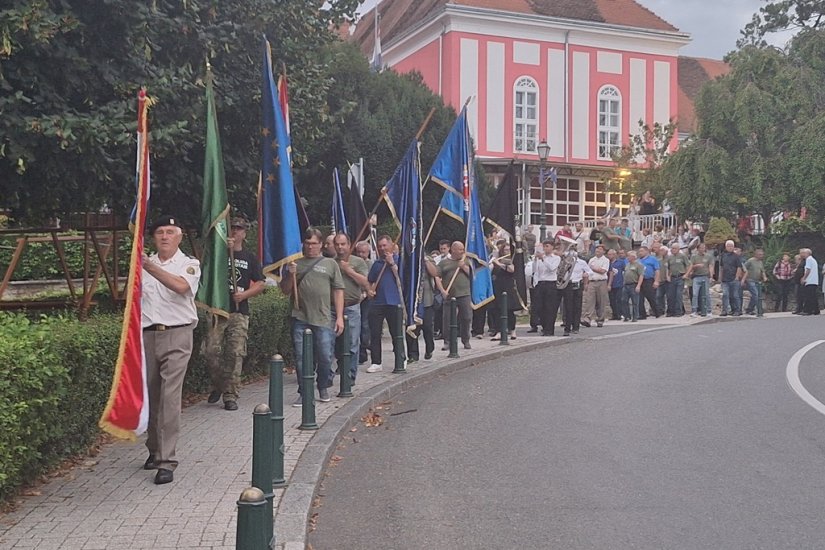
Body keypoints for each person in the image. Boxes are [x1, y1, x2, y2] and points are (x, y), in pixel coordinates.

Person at [141, 215, 201, 485]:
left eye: (170, 232)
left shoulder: (188, 264)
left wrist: (148, 267)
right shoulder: (142, 263)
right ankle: (153, 449)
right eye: (160, 232)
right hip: (147, 335)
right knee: (151, 395)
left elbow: (180, 287)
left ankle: (167, 460)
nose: (164, 236)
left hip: (177, 334)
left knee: (169, 397)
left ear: (179, 236)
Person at [204, 218, 266, 412]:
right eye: (232, 228)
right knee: (210, 351)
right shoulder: (217, 255)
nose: (235, 232)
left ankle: (230, 394)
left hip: (239, 311)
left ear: (244, 234)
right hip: (219, 309)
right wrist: (223, 249)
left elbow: (261, 282)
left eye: (239, 229)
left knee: (235, 352)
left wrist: (245, 294)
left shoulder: (249, 257)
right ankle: (219, 384)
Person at [280, 227, 344, 407]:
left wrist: (339, 317)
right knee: (301, 358)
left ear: (321, 245)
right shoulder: (295, 263)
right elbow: (285, 290)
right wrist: (289, 275)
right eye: (307, 244)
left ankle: (322, 385)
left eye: (314, 244)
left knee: (325, 355)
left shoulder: (330, 264)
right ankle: (304, 391)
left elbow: (339, 291)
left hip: (323, 318)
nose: (310, 247)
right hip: (299, 317)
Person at [333, 233, 370, 383]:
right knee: (332, 343)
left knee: (352, 343)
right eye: (337, 244)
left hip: (352, 307)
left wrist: (349, 271)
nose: (340, 247)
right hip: (332, 308)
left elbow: (366, 282)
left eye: (343, 244)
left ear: (349, 245)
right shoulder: (330, 262)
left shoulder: (358, 262)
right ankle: (334, 372)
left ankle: (350, 377)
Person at [366, 235, 406, 372]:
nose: (383, 249)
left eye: (385, 245)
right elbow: (370, 280)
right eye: (380, 246)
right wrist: (369, 290)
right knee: (375, 333)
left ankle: (401, 358)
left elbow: (401, 279)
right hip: (378, 302)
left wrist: (392, 264)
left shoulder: (399, 261)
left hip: (394, 301)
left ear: (390, 245)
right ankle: (376, 362)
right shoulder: (376, 264)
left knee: (396, 333)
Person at [436, 241, 473, 350]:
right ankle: (447, 341)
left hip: (464, 294)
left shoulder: (465, 260)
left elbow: (473, 275)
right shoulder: (443, 263)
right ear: (453, 250)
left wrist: (464, 267)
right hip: (449, 295)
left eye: (463, 249)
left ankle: (466, 340)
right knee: (447, 319)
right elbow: (437, 276)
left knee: (466, 318)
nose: (462, 252)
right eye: (460, 250)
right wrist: (442, 290)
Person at [407, 254, 438, 361]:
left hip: (427, 300)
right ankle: (413, 355)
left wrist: (425, 260)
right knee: (412, 329)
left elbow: (434, 273)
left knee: (428, 327)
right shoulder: (408, 258)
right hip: (412, 301)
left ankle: (429, 348)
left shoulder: (427, 258)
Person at [559, 245, 590, 336]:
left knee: (577, 306)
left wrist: (585, 275)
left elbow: (589, 271)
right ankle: (567, 327)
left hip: (578, 284)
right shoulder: (565, 262)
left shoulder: (581, 262)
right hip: (568, 284)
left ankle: (576, 327)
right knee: (568, 307)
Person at [532, 239, 561, 336]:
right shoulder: (540, 258)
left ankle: (549, 329)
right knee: (540, 308)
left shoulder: (556, 258)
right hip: (540, 283)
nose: (545, 248)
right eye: (544, 246)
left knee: (550, 308)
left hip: (550, 284)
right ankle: (544, 327)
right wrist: (536, 260)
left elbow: (552, 268)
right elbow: (535, 270)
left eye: (547, 246)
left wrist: (543, 259)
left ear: (552, 247)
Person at [491, 241, 518, 340]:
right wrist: (493, 262)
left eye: (508, 250)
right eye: (505, 249)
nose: (506, 251)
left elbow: (512, 270)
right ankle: (499, 331)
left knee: (509, 309)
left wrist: (499, 264)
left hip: (508, 287)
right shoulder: (498, 259)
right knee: (497, 309)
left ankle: (512, 330)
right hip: (498, 286)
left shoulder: (511, 260)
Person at [355, 240, 374, 364]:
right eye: (359, 252)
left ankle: (363, 350)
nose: (361, 254)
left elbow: (372, 281)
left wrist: (365, 293)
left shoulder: (370, 264)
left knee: (364, 324)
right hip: (354, 297)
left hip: (366, 298)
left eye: (364, 252)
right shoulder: (353, 263)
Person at [582, 245, 609, 327]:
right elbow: (587, 271)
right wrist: (586, 283)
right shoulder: (591, 260)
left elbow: (603, 271)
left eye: (600, 249)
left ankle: (600, 319)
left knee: (601, 301)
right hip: (592, 281)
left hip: (601, 281)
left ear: (603, 251)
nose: (597, 250)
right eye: (597, 249)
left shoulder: (605, 260)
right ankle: (587, 318)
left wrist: (593, 268)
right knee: (590, 300)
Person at [686, 243, 713, 317]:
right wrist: (696, 266)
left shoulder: (708, 256)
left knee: (707, 294)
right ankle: (694, 310)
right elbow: (691, 266)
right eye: (701, 248)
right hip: (696, 277)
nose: (702, 249)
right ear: (698, 249)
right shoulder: (694, 257)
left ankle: (709, 310)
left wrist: (711, 276)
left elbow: (710, 266)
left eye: (703, 248)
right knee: (695, 294)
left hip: (705, 277)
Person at [719, 240, 743, 316]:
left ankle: (737, 310)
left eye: (731, 246)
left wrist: (737, 277)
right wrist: (720, 278)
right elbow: (722, 267)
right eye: (728, 246)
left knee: (735, 295)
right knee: (725, 295)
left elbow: (739, 267)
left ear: (733, 247)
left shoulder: (736, 256)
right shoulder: (723, 255)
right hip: (725, 279)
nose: (730, 247)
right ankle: (724, 310)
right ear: (726, 247)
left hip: (734, 279)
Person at [665, 243, 689, 316]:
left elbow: (688, 265)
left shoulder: (682, 256)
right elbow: (667, 268)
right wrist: (667, 276)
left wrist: (686, 274)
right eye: (672, 248)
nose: (673, 250)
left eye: (674, 248)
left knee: (678, 295)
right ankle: (671, 311)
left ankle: (678, 311)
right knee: (671, 295)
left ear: (678, 249)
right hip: (672, 277)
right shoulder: (669, 257)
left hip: (680, 277)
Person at [636, 246, 660, 319]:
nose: (640, 253)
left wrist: (656, 281)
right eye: (639, 251)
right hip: (640, 281)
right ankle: (642, 314)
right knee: (640, 298)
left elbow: (657, 270)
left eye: (642, 251)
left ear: (647, 251)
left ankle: (657, 312)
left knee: (651, 297)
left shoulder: (652, 259)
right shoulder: (638, 261)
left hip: (649, 280)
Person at [741, 248, 767, 317]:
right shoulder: (750, 261)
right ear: (756, 255)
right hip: (750, 280)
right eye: (760, 255)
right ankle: (750, 309)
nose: (761, 256)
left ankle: (751, 309)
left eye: (762, 255)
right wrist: (743, 279)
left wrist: (764, 277)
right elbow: (743, 268)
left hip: (757, 280)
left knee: (757, 295)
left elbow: (762, 270)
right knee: (755, 294)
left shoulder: (760, 262)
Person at [621, 251, 644, 322]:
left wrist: (638, 286)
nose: (627, 258)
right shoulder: (627, 265)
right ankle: (627, 316)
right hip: (626, 285)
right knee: (624, 300)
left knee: (635, 302)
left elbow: (641, 275)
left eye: (629, 256)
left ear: (633, 257)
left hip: (634, 284)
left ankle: (635, 316)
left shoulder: (639, 265)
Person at [607, 248, 626, 320]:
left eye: (610, 254)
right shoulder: (607, 262)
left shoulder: (620, 262)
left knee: (619, 299)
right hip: (610, 284)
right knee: (612, 300)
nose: (609, 256)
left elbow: (625, 271)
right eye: (608, 254)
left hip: (619, 283)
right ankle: (614, 314)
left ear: (614, 255)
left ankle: (620, 314)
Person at [799, 248, 820, 315]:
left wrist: (804, 278)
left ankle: (808, 310)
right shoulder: (813, 260)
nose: (803, 254)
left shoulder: (808, 259)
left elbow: (808, 270)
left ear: (807, 253)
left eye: (804, 253)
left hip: (810, 280)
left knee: (809, 296)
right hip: (814, 280)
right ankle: (816, 310)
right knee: (813, 296)